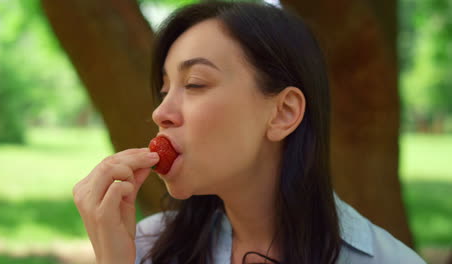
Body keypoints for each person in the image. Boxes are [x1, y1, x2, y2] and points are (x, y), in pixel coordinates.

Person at [72, 2, 427, 264]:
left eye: (194, 84)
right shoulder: (145, 246)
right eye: (165, 90)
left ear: (283, 113)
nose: (160, 113)